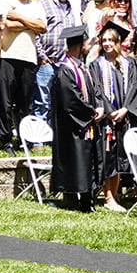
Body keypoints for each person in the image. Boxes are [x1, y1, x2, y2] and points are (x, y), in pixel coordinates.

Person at [48, 25, 100, 211]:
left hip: (84, 124)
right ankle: (71, 199)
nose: (88, 46)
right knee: (74, 161)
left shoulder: (82, 67)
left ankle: (87, 200)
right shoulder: (65, 70)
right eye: (86, 43)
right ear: (78, 45)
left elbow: (93, 92)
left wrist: (99, 108)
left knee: (86, 161)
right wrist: (91, 113)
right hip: (71, 127)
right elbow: (71, 100)